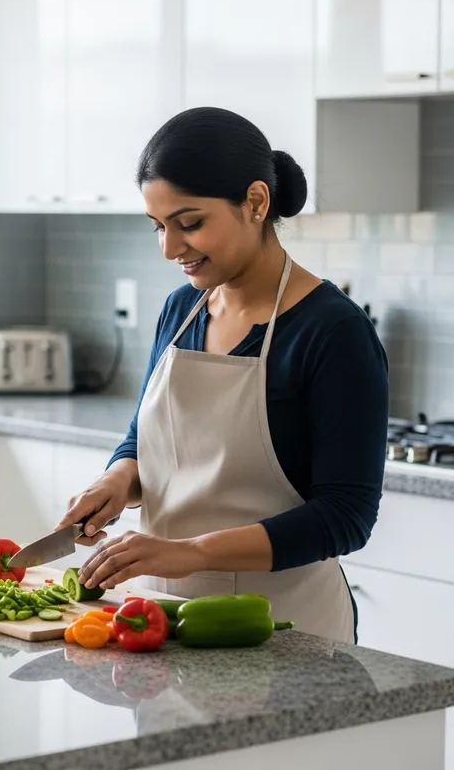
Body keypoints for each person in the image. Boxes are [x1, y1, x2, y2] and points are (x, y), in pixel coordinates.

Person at [58, 107, 388, 644]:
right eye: (159, 227)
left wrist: (190, 553)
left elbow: (346, 517)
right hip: (160, 618)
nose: (170, 248)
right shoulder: (180, 310)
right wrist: (116, 481)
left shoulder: (333, 331)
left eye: (190, 223)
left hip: (283, 629)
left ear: (256, 202)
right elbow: (148, 439)